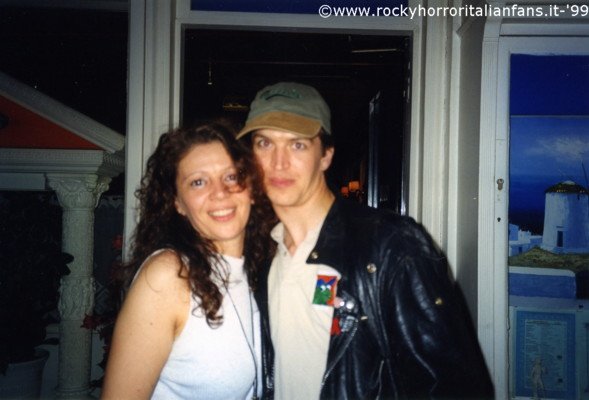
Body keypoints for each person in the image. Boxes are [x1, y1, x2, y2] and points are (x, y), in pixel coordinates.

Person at [236, 82, 495, 399]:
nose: (279, 162)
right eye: (264, 143)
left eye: (297, 145)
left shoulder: (392, 246)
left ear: (326, 155)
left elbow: (454, 388)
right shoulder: (263, 254)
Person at [102, 121, 275, 399]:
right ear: (178, 203)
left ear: (251, 188)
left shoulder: (259, 269)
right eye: (198, 182)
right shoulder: (168, 276)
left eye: (231, 176)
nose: (220, 192)